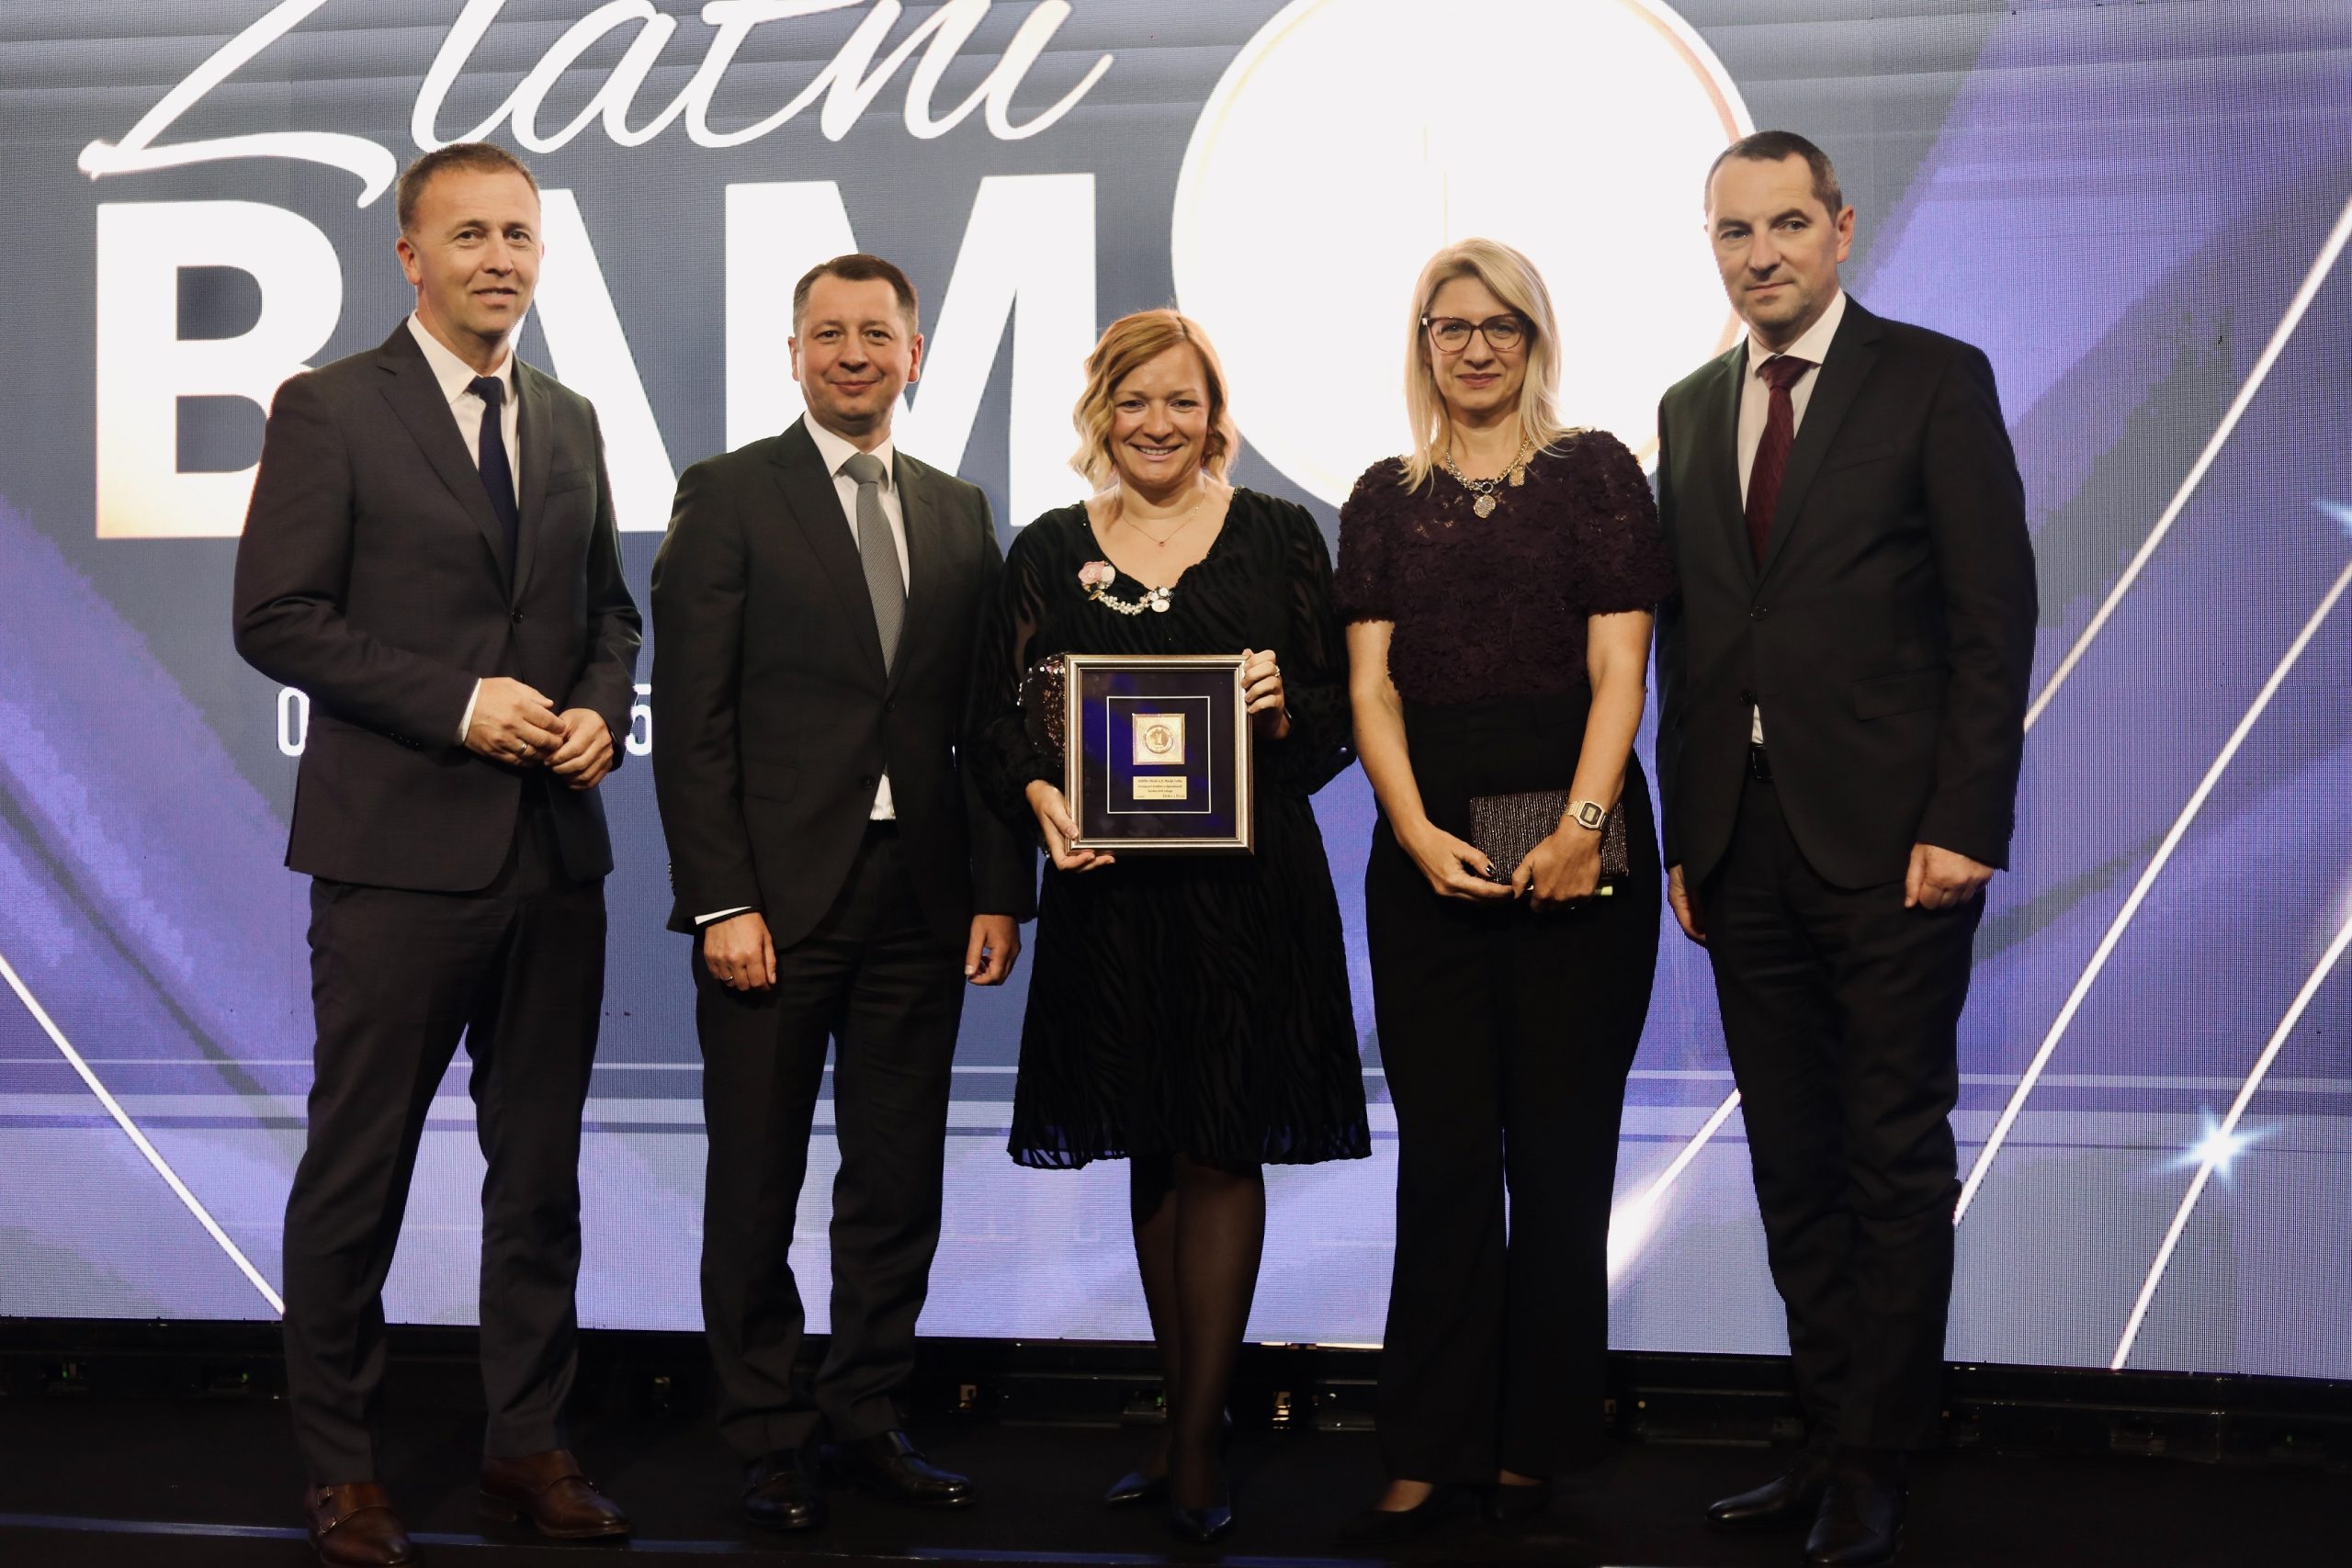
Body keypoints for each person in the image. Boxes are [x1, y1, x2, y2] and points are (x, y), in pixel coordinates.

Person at [232, 141, 640, 1566]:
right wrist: (461, 704)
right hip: (397, 859)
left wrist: (601, 707)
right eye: (469, 234)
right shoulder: (332, 407)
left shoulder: (571, 417)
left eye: (518, 234)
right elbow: (276, 615)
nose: (499, 258)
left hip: (553, 861)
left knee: (539, 1181)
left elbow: (609, 612)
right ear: (410, 255)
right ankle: (342, 1470)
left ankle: (526, 1447)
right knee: (359, 1174)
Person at [1654, 131, 2037, 1567]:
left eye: (1787, 225)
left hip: (1896, 848)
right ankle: (1822, 1439)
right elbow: (1695, 634)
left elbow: (1994, 618)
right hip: (1738, 847)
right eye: (1735, 231)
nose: (1761, 254)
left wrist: (1964, 820)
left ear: (1842, 228)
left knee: (1891, 1154)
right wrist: (1686, 830)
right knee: (1790, 1162)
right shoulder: (1691, 407)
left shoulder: (1934, 378)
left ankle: (1879, 1461)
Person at [966, 309, 1369, 1544]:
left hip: (1248, 896)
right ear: (1102, 413)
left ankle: (1195, 1440)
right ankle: (1182, 1414)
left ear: (1215, 414)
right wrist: (1041, 794)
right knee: (1152, 1140)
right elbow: (1000, 721)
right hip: (1111, 900)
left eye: (1181, 401)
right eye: (1134, 401)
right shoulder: (1047, 550)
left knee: (1221, 1146)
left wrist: (1281, 706)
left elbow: (1339, 721)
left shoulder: (1279, 535)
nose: (1157, 424)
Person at [650, 254, 1034, 1534]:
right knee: (755, 1183)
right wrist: (720, 900)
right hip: (771, 904)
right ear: (796, 353)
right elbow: (692, 719)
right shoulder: (726, 494)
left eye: (877, 334)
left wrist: (1000, 892)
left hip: (922, 902)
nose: (854, 354)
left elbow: (987, 722)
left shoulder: (960, 510)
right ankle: (765, 1434)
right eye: (830, 333)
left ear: (914, 355)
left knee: (896, 1182)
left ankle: (867, 1417)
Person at [1329, 239, 1676, 1543]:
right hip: (1427, 843)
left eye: (1501, 326)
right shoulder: (1383, 495)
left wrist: (1584, 827)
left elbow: (1621, 673)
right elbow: (1370, 690)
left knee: (1563, 1154)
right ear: (1422, 342)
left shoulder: (1596, 473)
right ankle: (1429, 1443)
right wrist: (1411, 830)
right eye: (1451, 326)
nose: (1475, 349)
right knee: (1448, 1159)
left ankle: (1541, 1442)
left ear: (1535, 339)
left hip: (1575, 826)